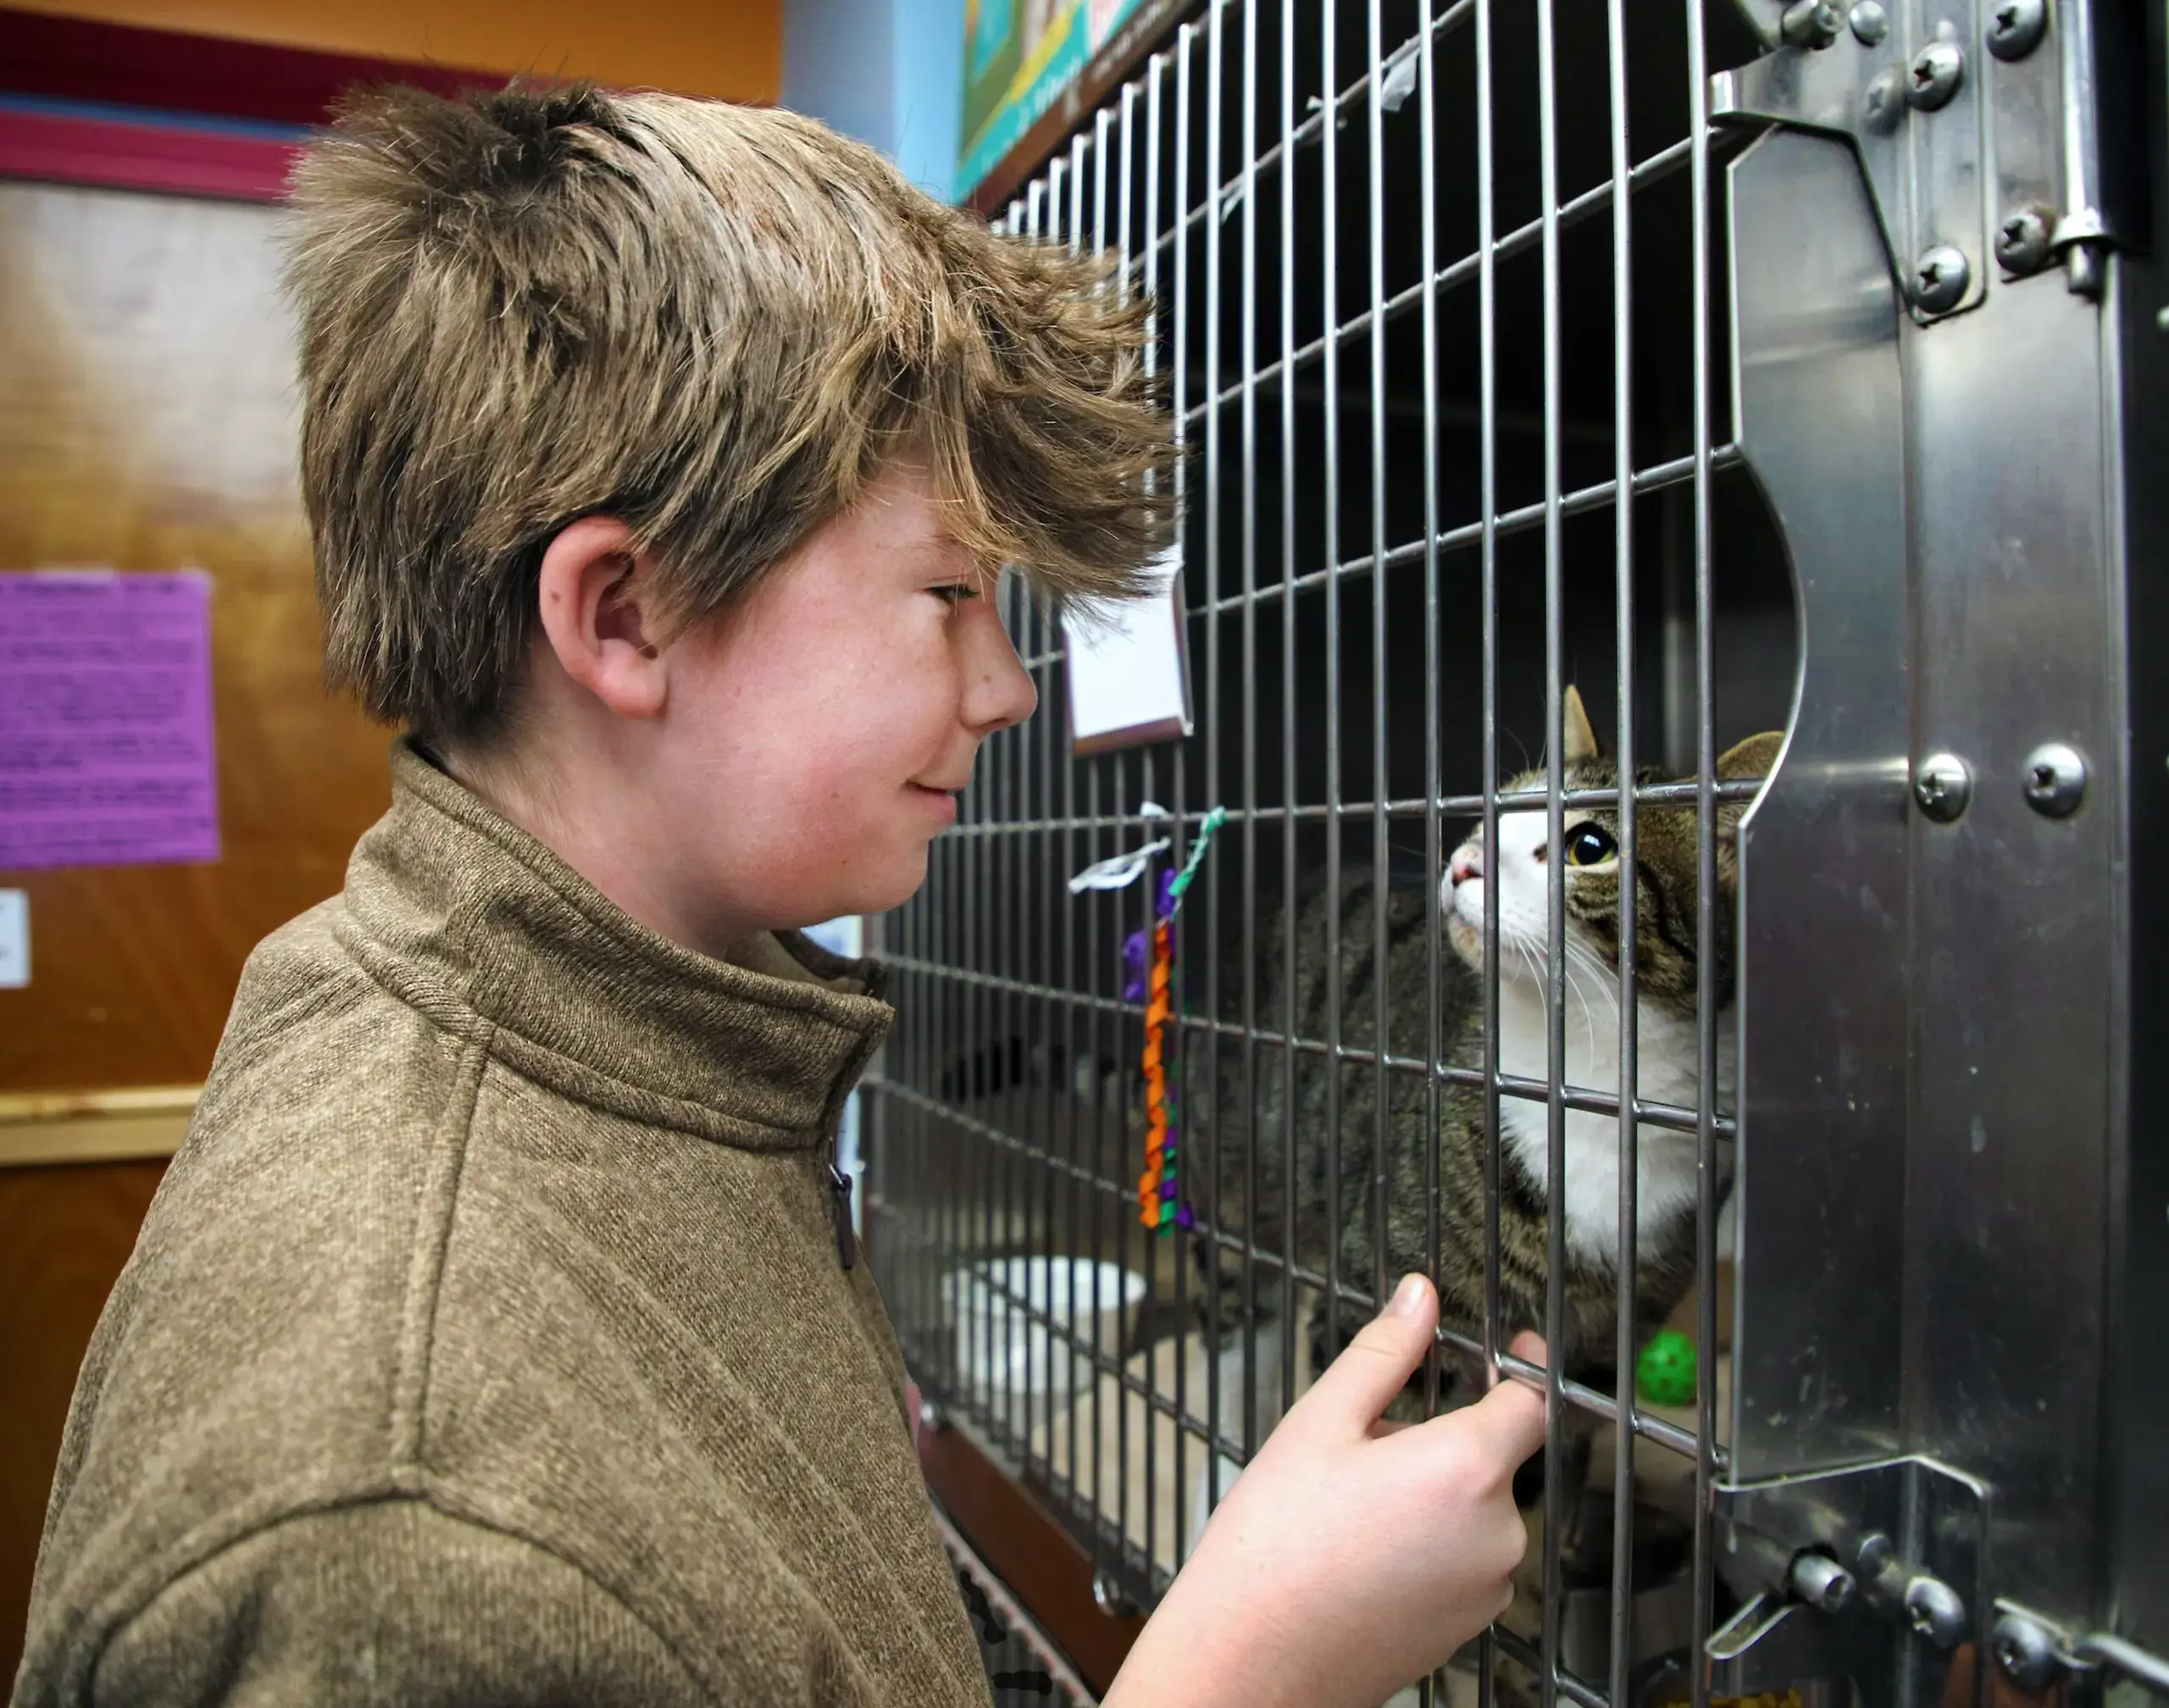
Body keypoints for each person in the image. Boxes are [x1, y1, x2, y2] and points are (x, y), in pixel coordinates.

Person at [13, 83, 1547, 1708]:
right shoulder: (409, 1539)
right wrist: (1246, 1675)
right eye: (950, 594)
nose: (1009, 689)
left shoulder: (622, 1029)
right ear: (625, 614)